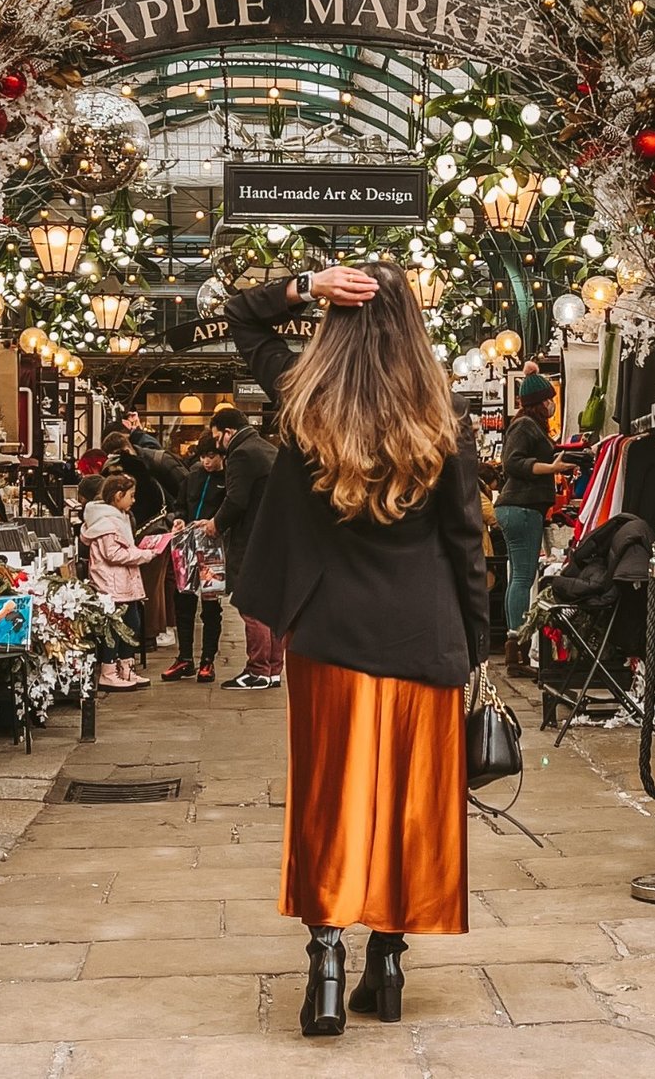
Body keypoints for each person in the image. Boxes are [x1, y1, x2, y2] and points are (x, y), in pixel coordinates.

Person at [226, 263, 487, 1038]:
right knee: (411, 804)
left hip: (329, 639)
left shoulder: (303, 401)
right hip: (424, 636)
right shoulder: (442, 419)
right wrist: (475, 649)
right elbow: (465, 546)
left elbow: (242, 317)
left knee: (329, 798)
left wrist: (304, 284)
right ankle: (391, 960)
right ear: (414, 325)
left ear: (336, 323)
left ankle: (327, 962)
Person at [494, 369, 574, 678]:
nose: (552, 405)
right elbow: (512, 462)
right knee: (523, 577)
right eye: (549, 400)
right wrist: (549, 468)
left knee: (519, 577)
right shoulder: (525, 425)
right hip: (521, 507)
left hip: (521, 509)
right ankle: (517, 648)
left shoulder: (531, 426)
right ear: (539, 402)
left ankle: (517, 647)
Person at [202, 404, 280, 689]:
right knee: (271, 605)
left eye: (217, 437)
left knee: (251, 605)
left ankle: (257, 669)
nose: (217, 444)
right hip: (275, 539)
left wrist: (215, 524)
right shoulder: (268, 448)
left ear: (228, 432)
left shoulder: (241, 453)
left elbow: (236, 500)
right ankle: (273, 669)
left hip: (252, 540)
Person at [82, 474, 174, 691]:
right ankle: (109, 671)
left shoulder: (119, 518)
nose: (134, 501)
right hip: (111, 584)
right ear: (118, 496)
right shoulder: (106, 524)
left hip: (123, 583)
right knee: (114, 629)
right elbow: (113, 554)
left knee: (132, 625)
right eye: (131, 496)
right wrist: (144, 554)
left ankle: (126, 668)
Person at [164, 436, 226, 683]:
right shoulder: (192, 478)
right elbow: (179, 505)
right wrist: (178, 518)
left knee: (211, 605)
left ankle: (207, 660)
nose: (206, 462)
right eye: (203, 457)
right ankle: (185, 658)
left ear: (221, 456)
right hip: (188, 544)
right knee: (183, 600)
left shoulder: (228, 480)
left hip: (213, 548)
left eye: (211, 456)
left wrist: (216, 524)